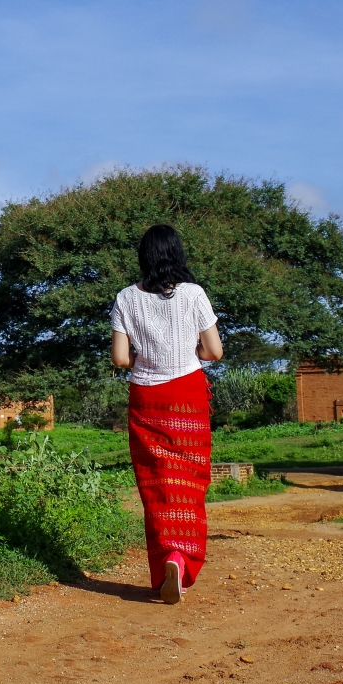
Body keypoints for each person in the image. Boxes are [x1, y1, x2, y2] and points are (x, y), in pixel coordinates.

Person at [110, 223, 221, 605]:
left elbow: (121, 359)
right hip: (187, 394)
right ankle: (183, 560)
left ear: (144, 256)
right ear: (177, 254)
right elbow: (214, 351)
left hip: (146, 397)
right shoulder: (194, 294)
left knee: (155, 484)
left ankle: (163, 566)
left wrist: (149, 357)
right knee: (189, 481)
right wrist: (190, 355)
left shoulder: (125, 298)